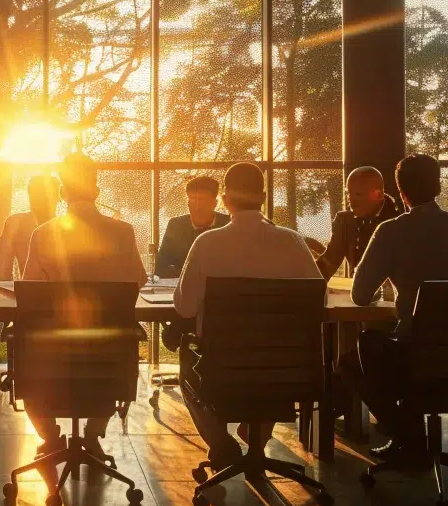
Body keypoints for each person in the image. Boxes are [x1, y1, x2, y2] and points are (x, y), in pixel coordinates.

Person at [174, 162, 322, 469]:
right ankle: (257, 437)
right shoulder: (293, 242)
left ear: (225, 201)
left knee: (188, 365)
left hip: (224, 367)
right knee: (269, 355)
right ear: (264, 197)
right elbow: (315, 301)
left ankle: (222, 444)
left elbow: (185, 308)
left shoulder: (207, 244)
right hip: (281, 370)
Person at [340, 154, 448, 460]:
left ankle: (406, 433)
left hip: (413, 352)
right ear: (438, 187)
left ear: (401, 193)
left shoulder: (391, 231)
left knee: (354, 358)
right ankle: (410, 434)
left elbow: (361, 295)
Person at [20, 152, 147, 457]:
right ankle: (91, 435)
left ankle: (51, 438)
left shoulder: (43, 233)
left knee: (26, 352)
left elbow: (30, 291)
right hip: (108, 355)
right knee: (111, 355)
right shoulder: (123, 231)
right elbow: (138, 282)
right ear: (97, 192)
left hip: (54, 356)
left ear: (62, 194)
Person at [310, 166, 401, 279]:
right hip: (360, 293)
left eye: (359, 194)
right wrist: (303, 280)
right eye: (349, 193)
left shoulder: (401, 219)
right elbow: (329, 263)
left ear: (378, 195)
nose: (352, 200)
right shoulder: (345, 222)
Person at [155, 176, 230, 279]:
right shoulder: (176, 225)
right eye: (192, 199)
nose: (197, 206)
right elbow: (160, 267)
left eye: (202, 200)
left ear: (215, 203)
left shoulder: (228, 223)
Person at [0, 175, 59, 280]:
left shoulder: (66, 227)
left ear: (58, 197)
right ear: (29, 194)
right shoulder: (15, 223)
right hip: (29, 291)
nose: (41, 198)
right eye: (37, 193)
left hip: (51, 292)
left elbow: (3, 269)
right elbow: (2, 269)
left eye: (46, 194)